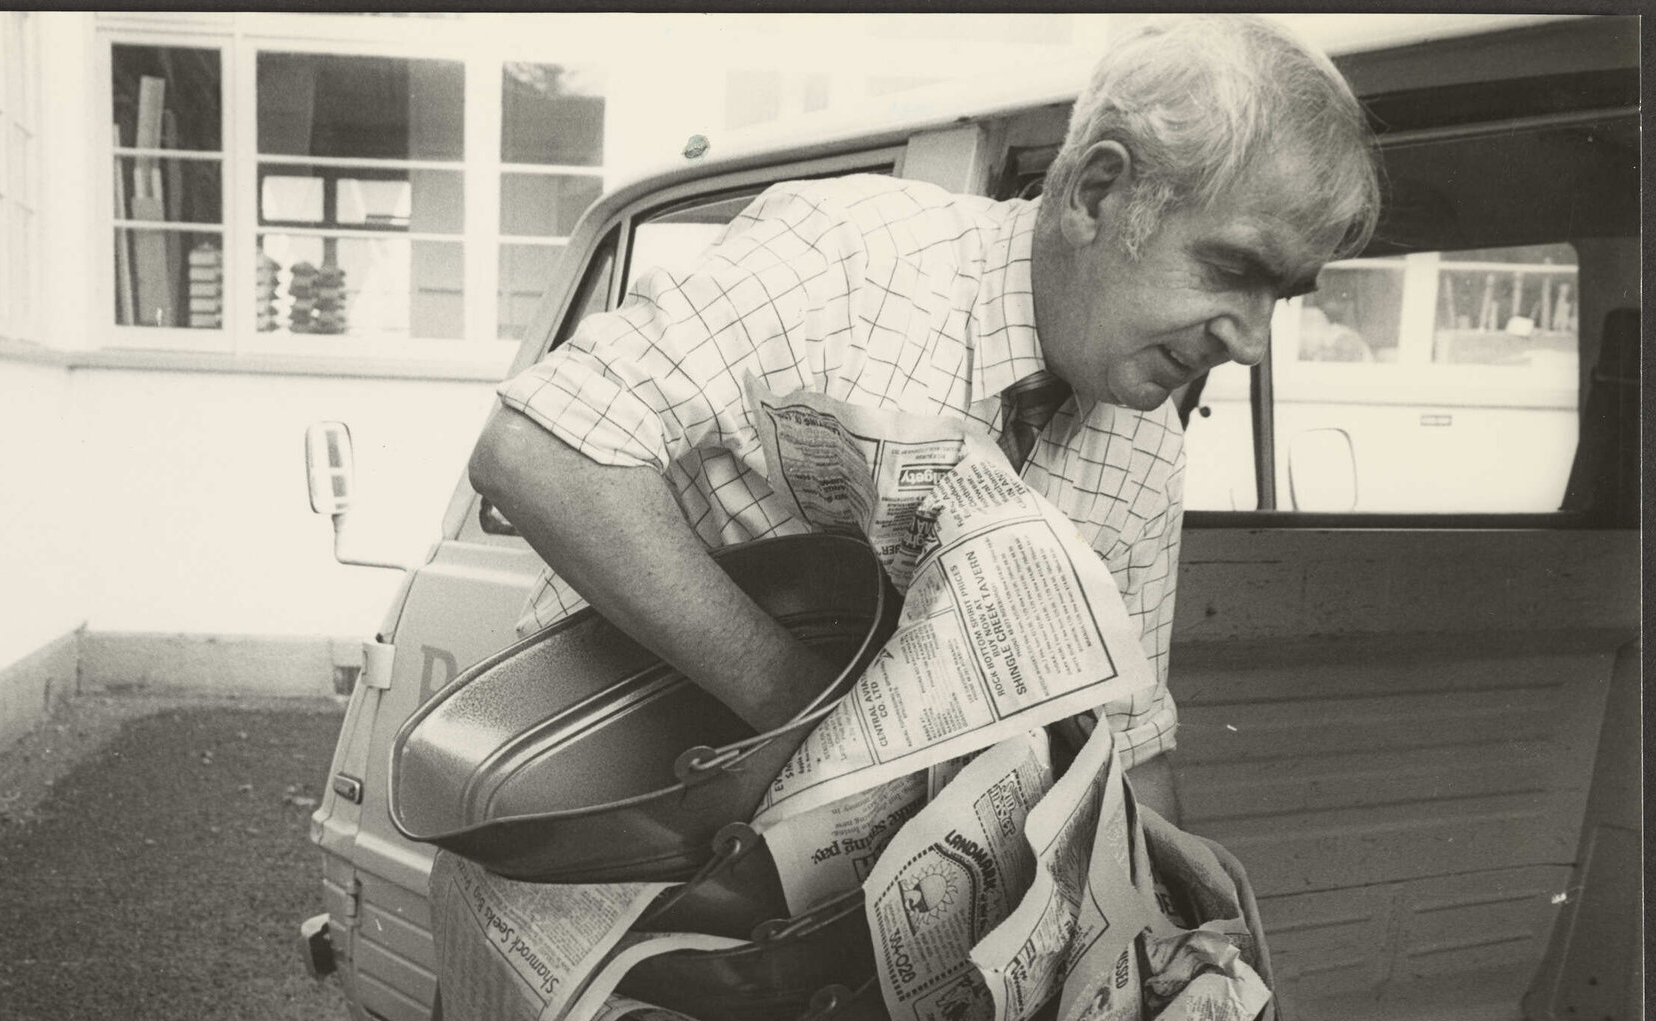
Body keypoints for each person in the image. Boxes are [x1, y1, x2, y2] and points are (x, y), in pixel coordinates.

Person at [469, 15, 1380, 817]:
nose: (1253, 342)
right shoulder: (851, 257)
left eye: (1284, 296)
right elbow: (540, 452)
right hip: (601, 827)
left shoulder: (1145, 441)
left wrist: (1178, 916)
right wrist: (815, 717)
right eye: (1230, 271)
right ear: (1097, 193)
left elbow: (1128, 735)